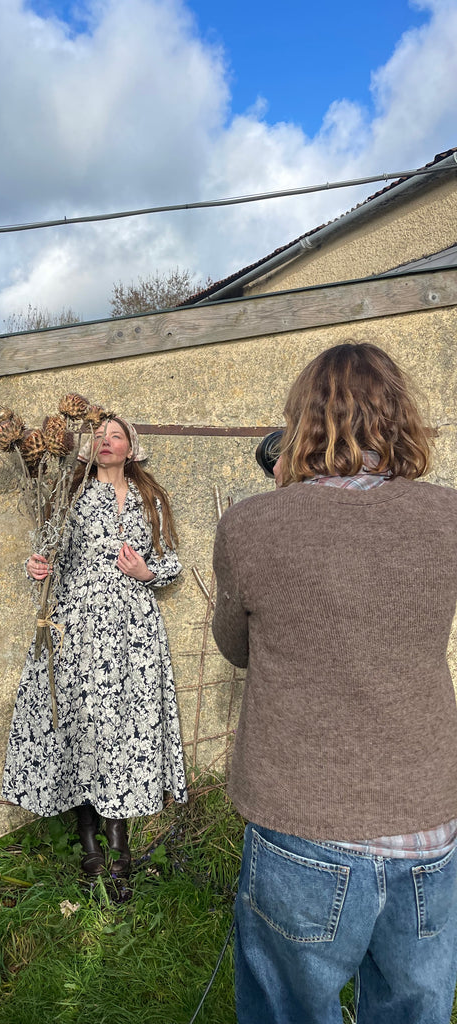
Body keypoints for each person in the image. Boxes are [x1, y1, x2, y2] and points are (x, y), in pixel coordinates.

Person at [212, 342, 457, 1024]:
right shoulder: (449, 516)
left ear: (302, 423)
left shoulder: (251, 524)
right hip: (429, 818)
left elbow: (236, 647)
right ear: (398, 417)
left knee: (289, 1009)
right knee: (415, 1009)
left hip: (304, 821)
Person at [2, 415, 187, 877]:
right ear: (88, 447)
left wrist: (148, 573)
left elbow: (171, 562)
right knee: (80, 728)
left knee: (122, 730)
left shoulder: (151, 498)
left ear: (131, 447)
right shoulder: (72, 495)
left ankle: (120, 852)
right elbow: (49, 553)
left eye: (115, 436)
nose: (106, 441)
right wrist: (36, 567)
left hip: (133, 632)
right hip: (78, 628)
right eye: (99, 436)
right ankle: (90, 849)